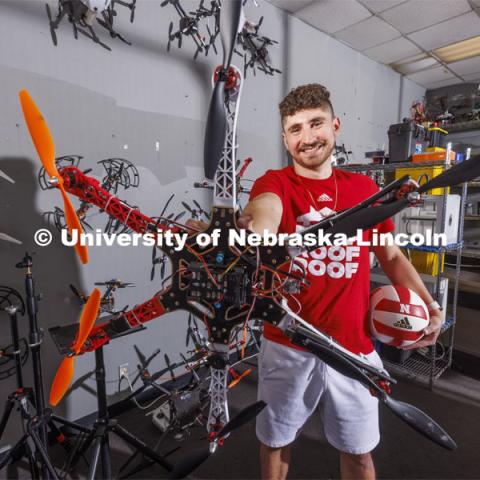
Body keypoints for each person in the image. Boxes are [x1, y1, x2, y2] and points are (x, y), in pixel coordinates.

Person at [238, 84, 443, 480]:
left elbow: (392, 255)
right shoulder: (276, 183)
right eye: (295, 129)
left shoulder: (364, 191)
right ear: (285, 138)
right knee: (275, 446)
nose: (307, 137)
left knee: (360, 454)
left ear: (334, 126)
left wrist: (430, 306)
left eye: (315, 124)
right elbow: (264, 210)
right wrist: (255, 229)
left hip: (354, 345)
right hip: (288, 345)